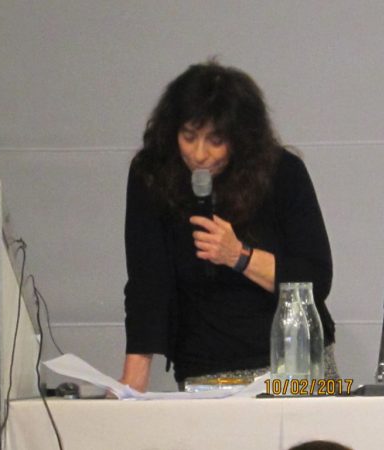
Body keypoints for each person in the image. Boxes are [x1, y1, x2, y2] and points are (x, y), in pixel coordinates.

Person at [120, 60, 338, 392]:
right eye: (188, 137)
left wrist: (239, 255)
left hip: (293, 362)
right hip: (204, 365)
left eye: (215, 140)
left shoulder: (283, 172)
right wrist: (133, 378)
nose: (199, 154)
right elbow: (147, 283)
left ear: (241, 139)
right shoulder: (151, 175)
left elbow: (315, 279)